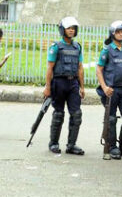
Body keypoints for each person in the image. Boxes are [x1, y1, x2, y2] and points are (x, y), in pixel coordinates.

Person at [96, 20, 122, 160]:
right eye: (118, 32)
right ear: (112, 33)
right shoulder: (107, 50)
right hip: (111, 90)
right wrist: (104, 87)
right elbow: (99, 70)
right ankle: (112, 147)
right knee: (112, 119)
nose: (121, 34)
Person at [43, 17, 86, 155]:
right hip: (59, 83)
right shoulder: (56, 47)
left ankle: (71, 145)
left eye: (73, 28)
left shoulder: (77, 47)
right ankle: (54, 143)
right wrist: (47, 87)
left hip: (73, 83)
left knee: (76, 114)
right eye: (69, 28)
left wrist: (82, 87)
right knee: (59, 114)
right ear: (63, 30)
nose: (71, 30)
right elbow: (50, 68)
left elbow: (80, 68)